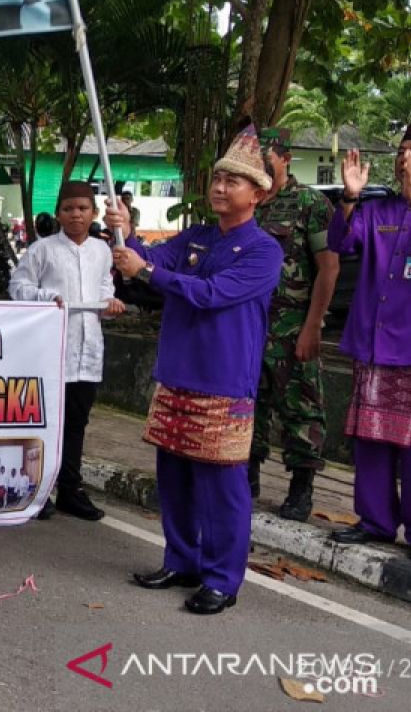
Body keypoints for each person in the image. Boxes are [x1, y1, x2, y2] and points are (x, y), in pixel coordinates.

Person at [109, 124, 282, 614]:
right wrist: (126, 231)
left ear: (257, 194)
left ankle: (223, 579)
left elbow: (209, 294)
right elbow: (149, 258)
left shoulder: (264, 252)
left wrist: (146, 271)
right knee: (175, 477)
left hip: (224, 382)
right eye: (218, 178)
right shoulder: (197, 236)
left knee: (223, 487)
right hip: (177, 374)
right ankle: (181, 560)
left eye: (234, 181)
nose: (220, 187)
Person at [327, 123, 411, 564]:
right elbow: (342, 241)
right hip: (374, 343)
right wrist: (350, 197)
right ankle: (374, 522)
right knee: (370, 437)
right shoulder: (381, 208)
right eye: (401, 151)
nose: (405, 159)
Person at [9, 181, 126, 521]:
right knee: (47, 421)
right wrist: (48, 298)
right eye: (69, 208)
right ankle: (37, 489)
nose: (76, 214)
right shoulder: (42, 250)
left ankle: (70, 490)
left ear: (93, 213)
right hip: (51, 349)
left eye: (83, 208)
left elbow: (105, 289)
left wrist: (110, 304)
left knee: (77, 422)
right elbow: (18, 287)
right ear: (59, 213)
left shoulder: (102, 251)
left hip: (88, 350)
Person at [249, 128, 339, 520]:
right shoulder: (247, 202)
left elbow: (328, 267)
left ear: (285, 159)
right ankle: (245, 476)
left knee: (301, 408)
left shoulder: (309, 203)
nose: (262, 169)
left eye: (267, 160)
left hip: (291, 327)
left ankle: (301, 488)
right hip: (250, 326)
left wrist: (313, 325)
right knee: (247, 407)